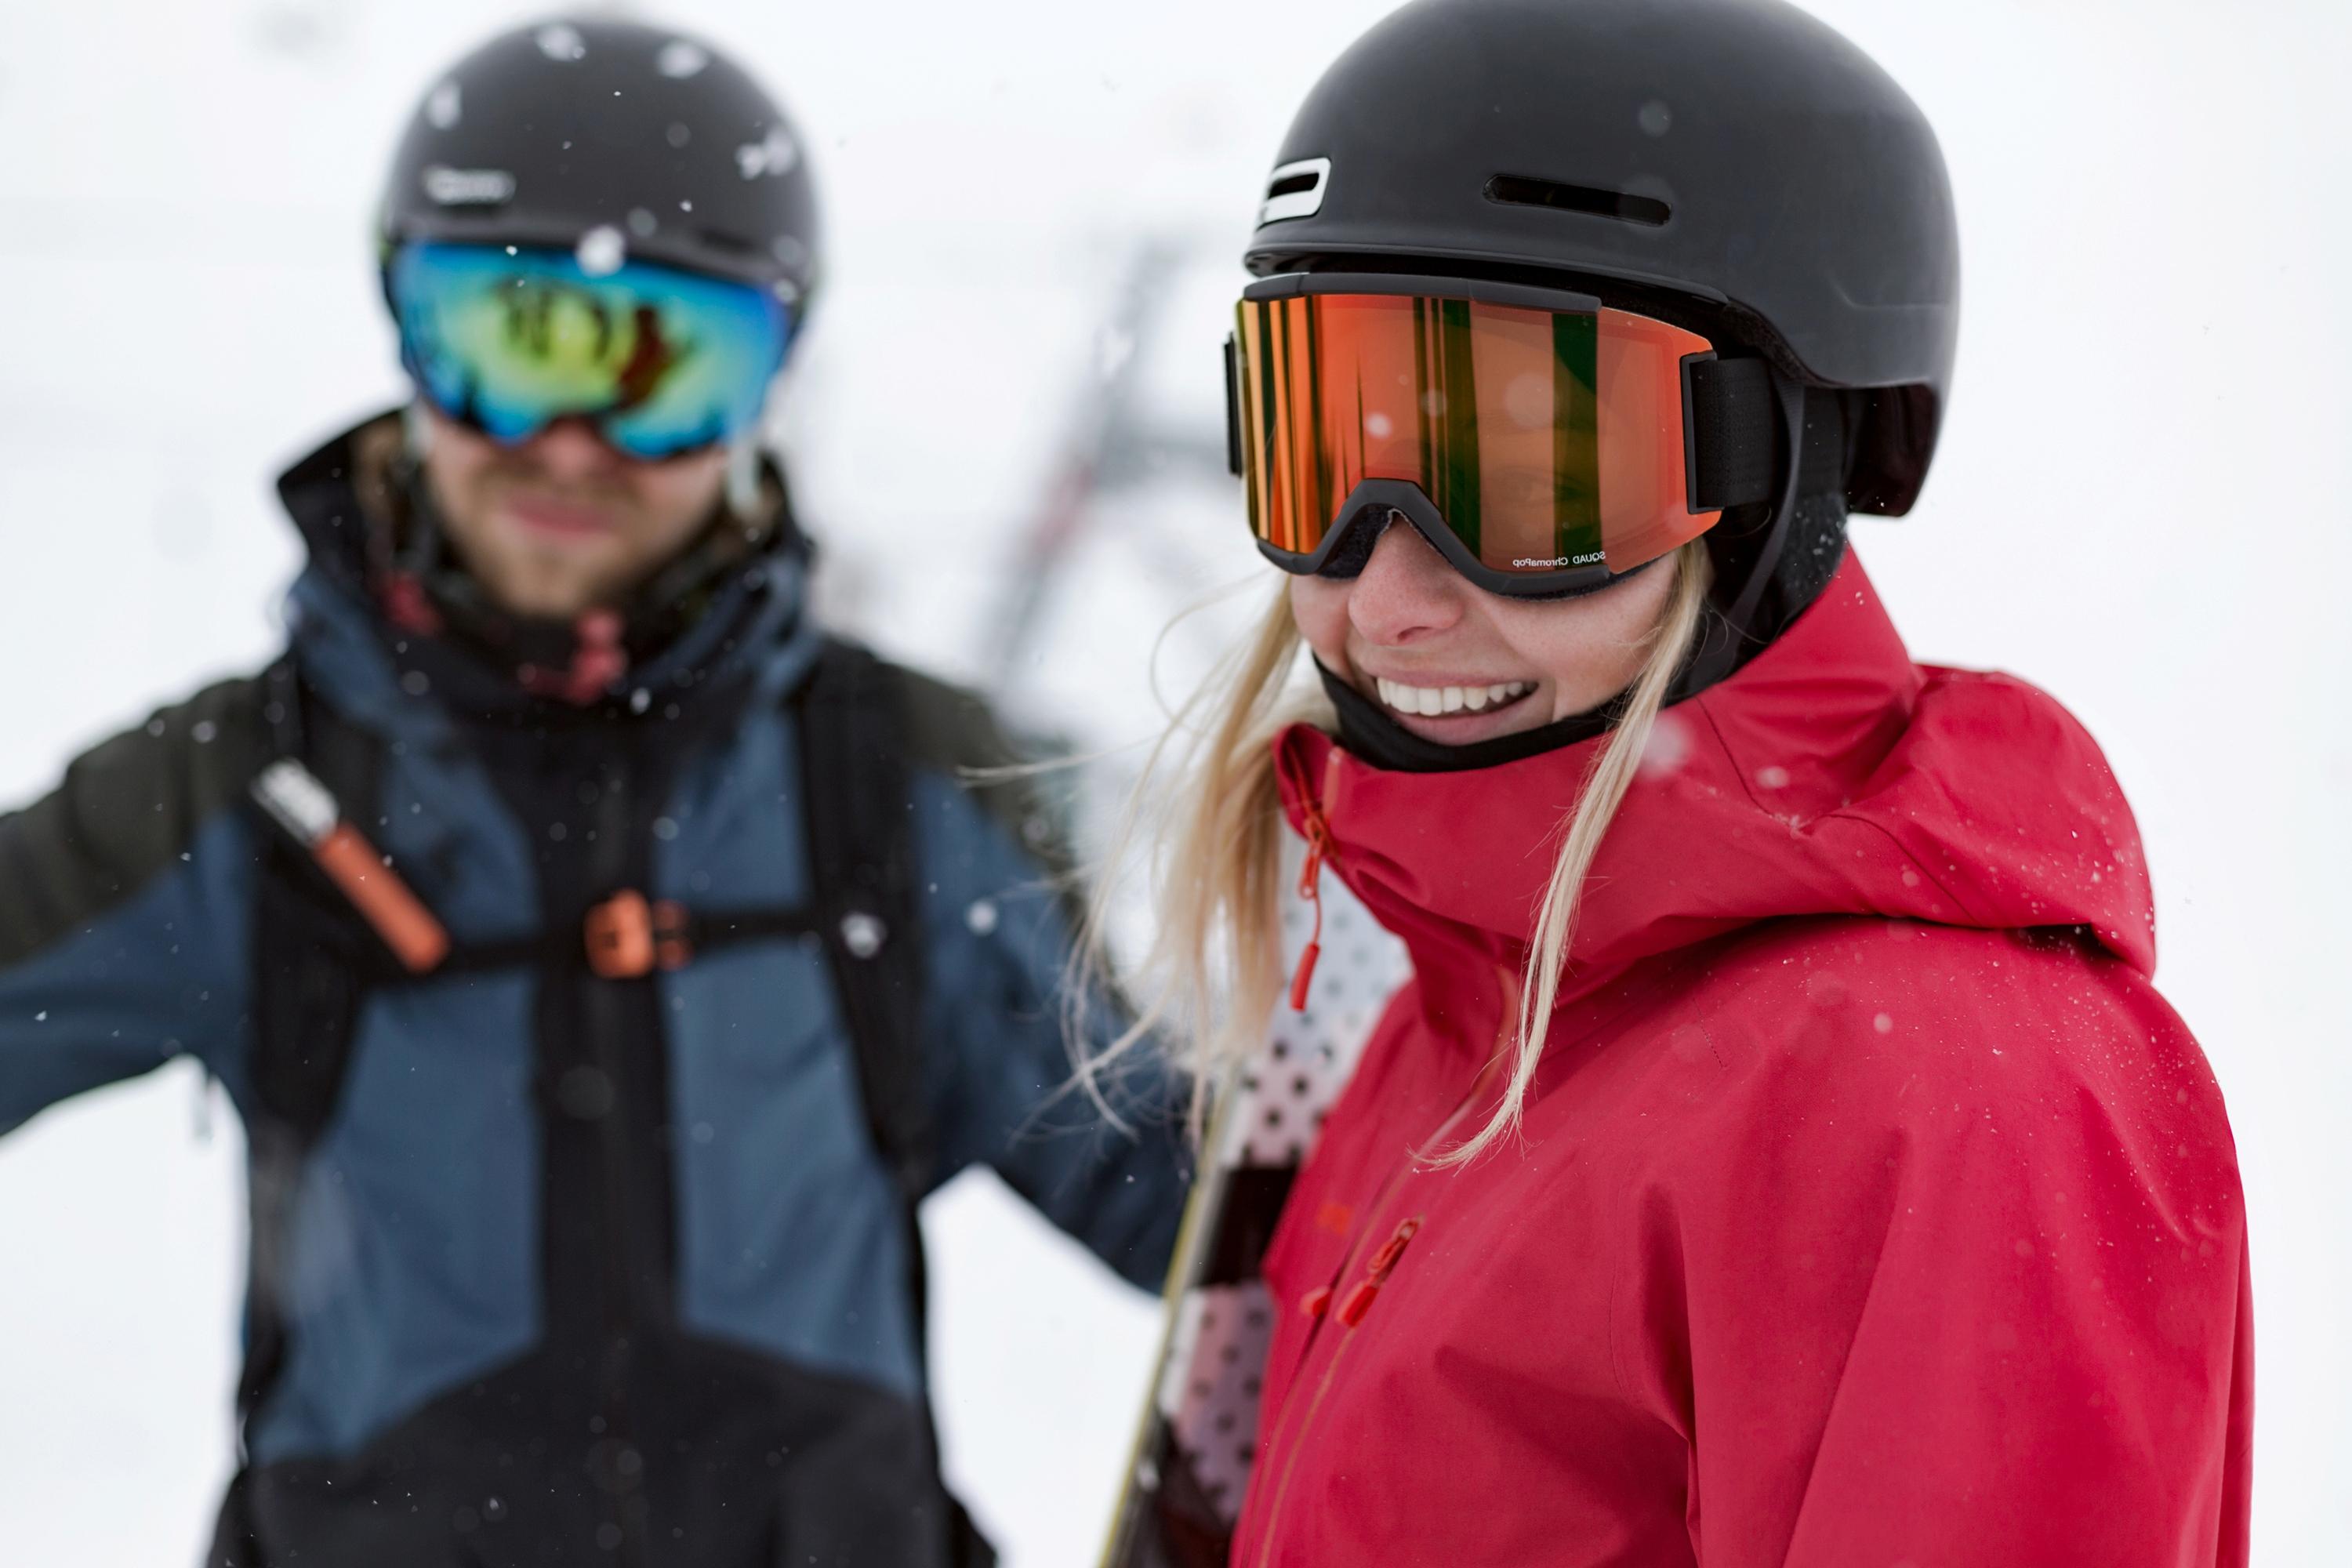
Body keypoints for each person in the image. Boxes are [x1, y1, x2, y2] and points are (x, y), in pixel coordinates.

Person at [0, 18, 1185, 1566]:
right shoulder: (253, 792)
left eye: (664, 365)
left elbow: (1188, 1198)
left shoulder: (894, 779)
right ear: (404, 327)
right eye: (512, 343)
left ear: (771, 376)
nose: (574, 444)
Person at [1098, 0, 2252, 1563]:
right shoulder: (1466, 1008)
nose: (1386, 596)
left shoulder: (1946, 1104)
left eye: (1525, 478)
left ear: (1771, 480)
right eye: (1323, 447)